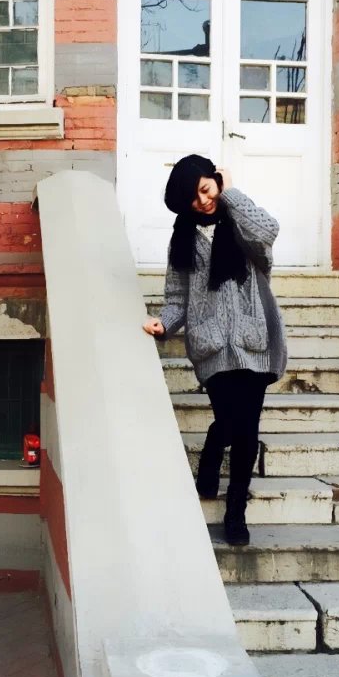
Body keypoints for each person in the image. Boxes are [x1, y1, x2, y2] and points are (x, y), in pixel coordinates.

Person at [143, 155, 287, 546]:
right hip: (211, 346)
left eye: (206, 190)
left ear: (216, 181)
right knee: (228, 421)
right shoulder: (183, 239)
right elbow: (177, 297)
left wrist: (231, 192)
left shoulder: (239, 221)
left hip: (253, 341)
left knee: (247, 430)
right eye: (193, 198)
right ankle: (212, 447)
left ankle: (235, 511)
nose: (203, 201)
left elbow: (269, 230)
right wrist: (164, 324)